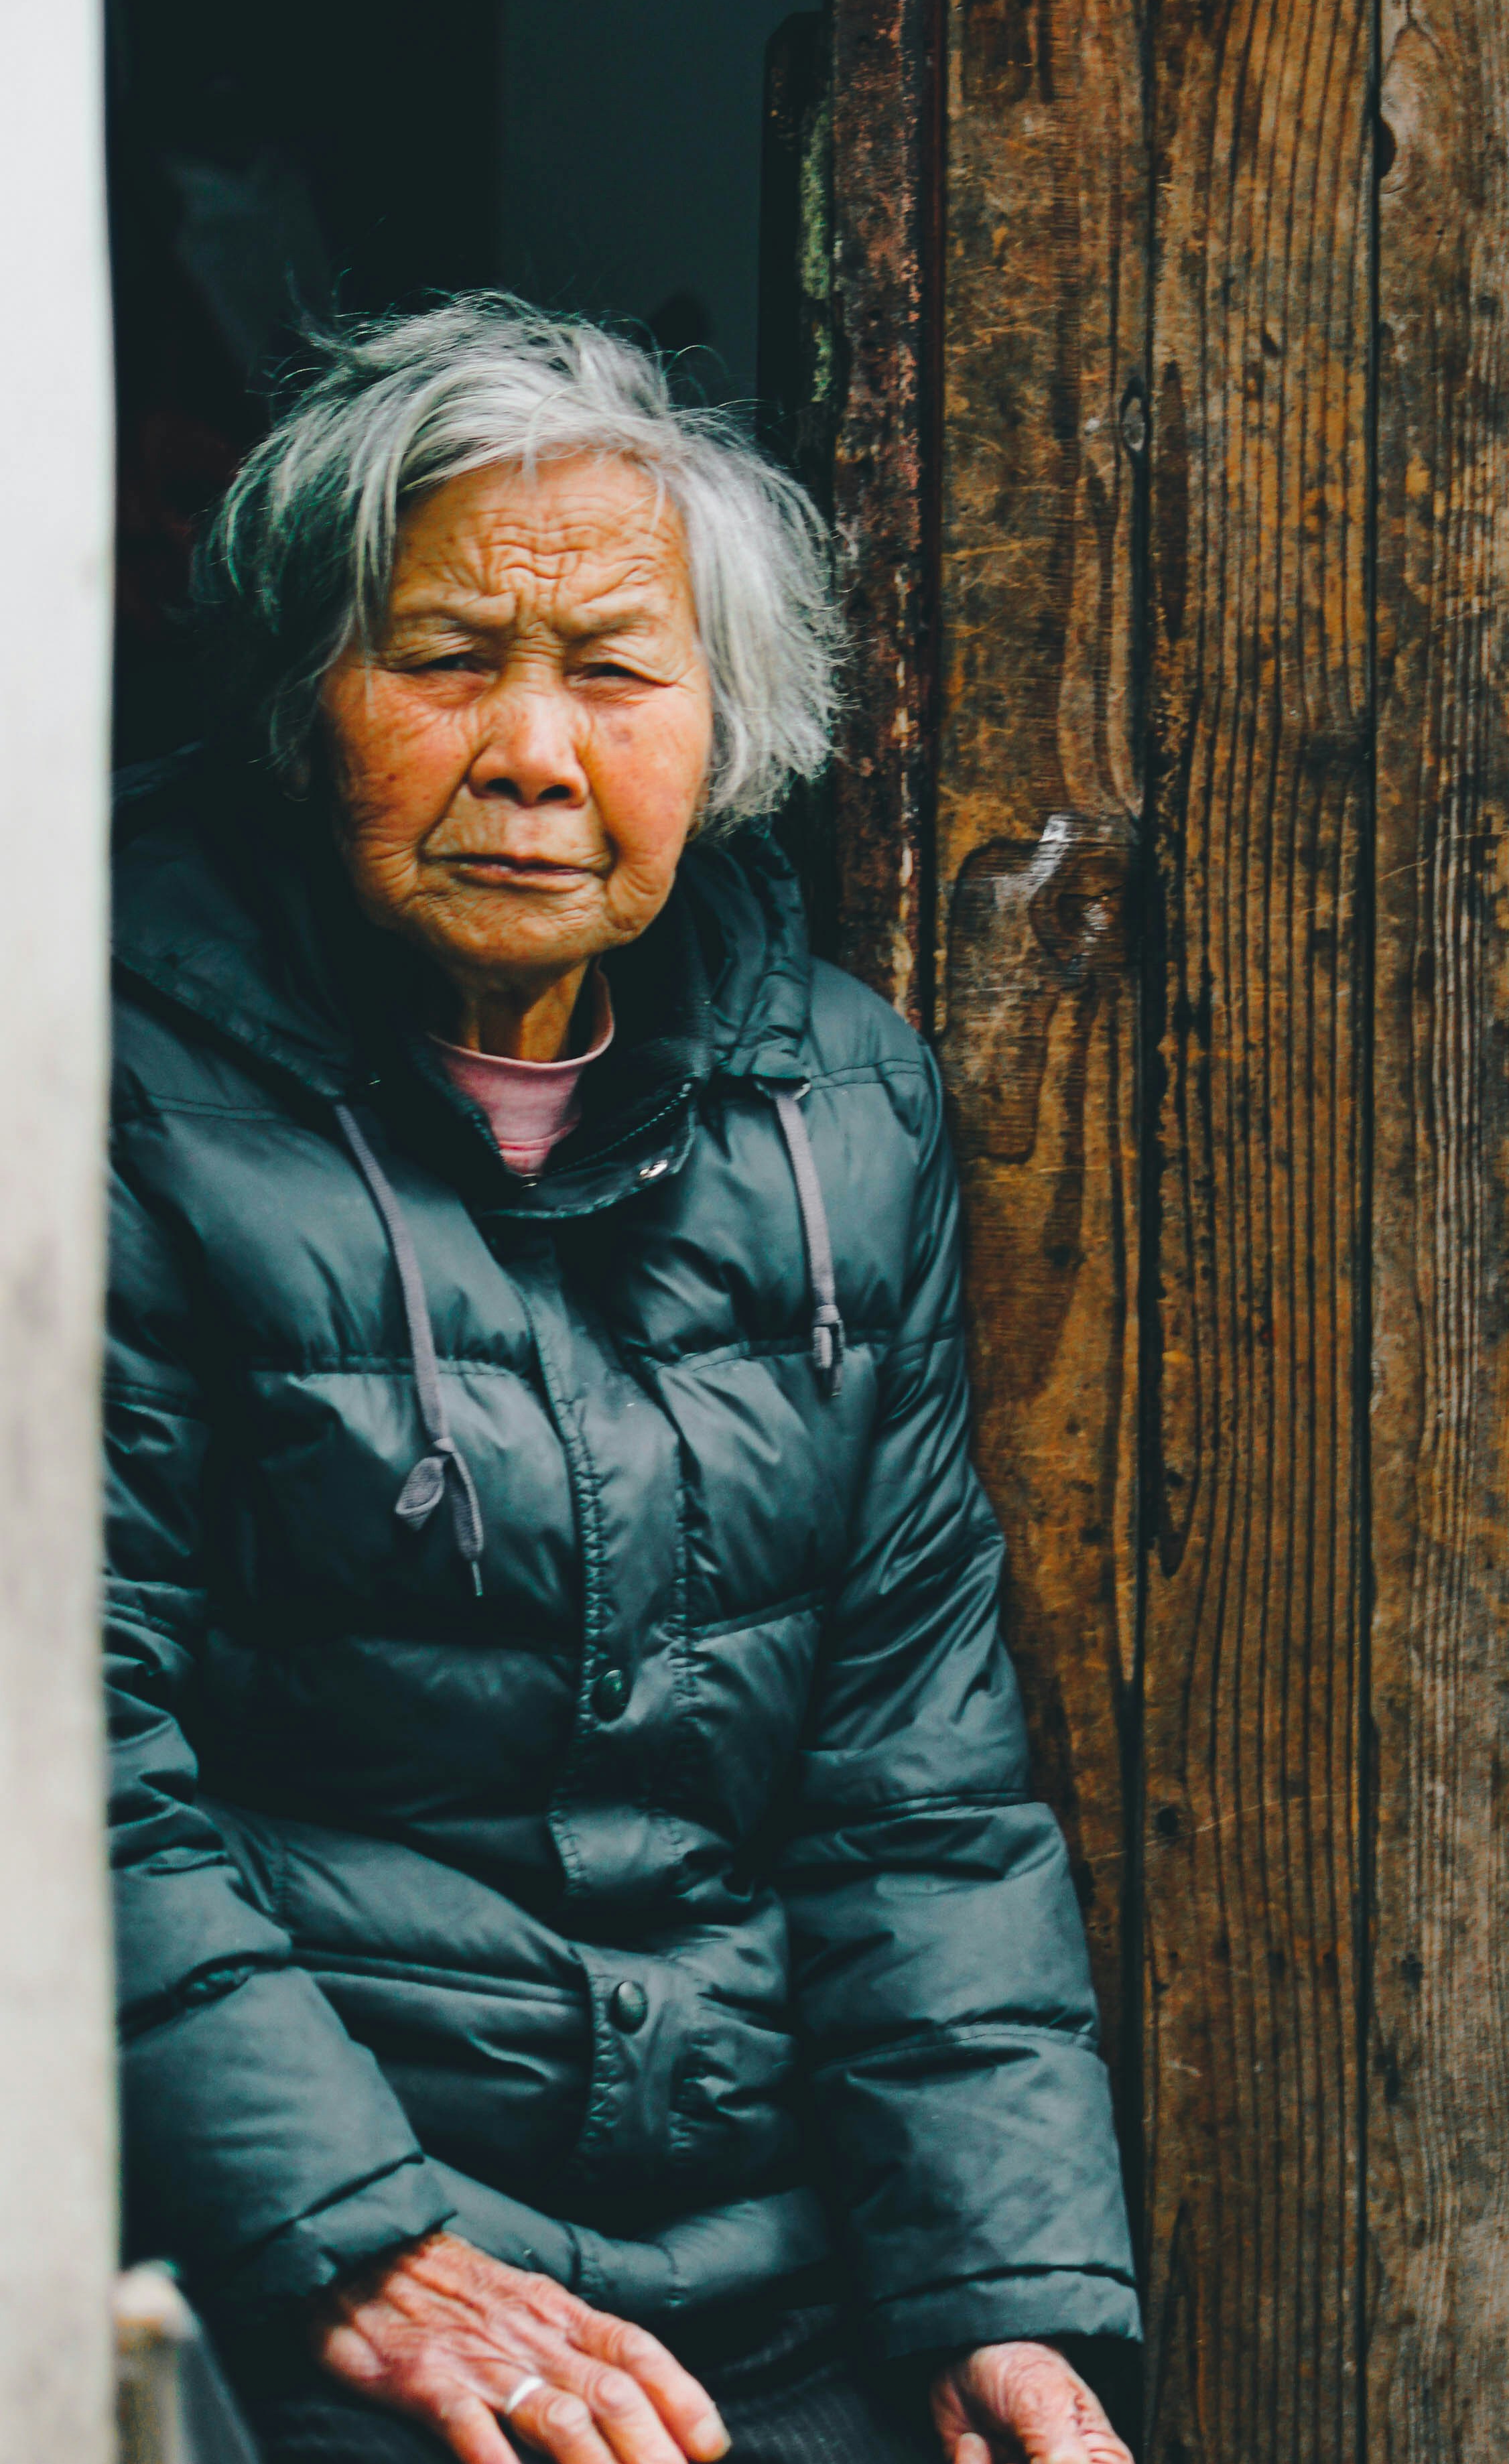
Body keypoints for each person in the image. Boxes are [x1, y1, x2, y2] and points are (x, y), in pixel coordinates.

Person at [107, 298, 1140, 2464]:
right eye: (450, 655)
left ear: (730, 724)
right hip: (306, 2249)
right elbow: (65, 1755)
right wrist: (350, 2246)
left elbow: (912, 1780)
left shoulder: (838, 1109)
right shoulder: (100, 1081)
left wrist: (1005, 2290)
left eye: (613, 668)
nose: (536, 750)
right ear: (311, 701)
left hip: (760, 2267)